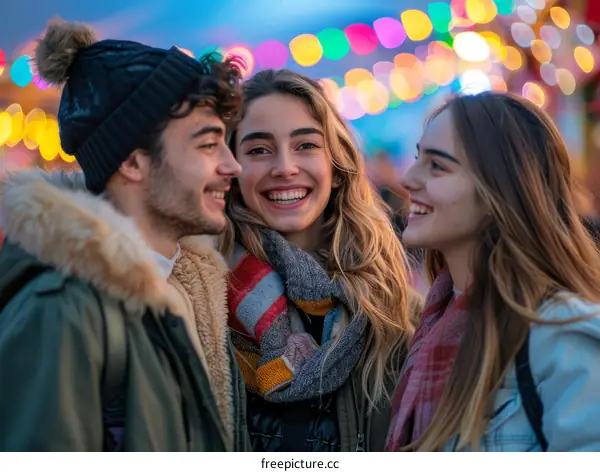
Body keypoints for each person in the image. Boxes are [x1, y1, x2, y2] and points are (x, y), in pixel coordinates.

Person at [0, 18, 246, 451]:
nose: (233, 166)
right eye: (208, 145)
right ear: (133, 162)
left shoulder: (188, 291)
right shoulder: (62, 312)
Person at [385, 91, 600, 452]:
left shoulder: (563, 334)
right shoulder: (430, 327)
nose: (408, 178)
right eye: (420, 157)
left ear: (497, 189)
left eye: (437, 166)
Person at [221, 69, 421, 452]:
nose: (284, 167)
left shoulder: (395, 313)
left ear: (336, 162)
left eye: (305, 145)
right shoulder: (199, 300)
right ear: (232, 169)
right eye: (259, 150)